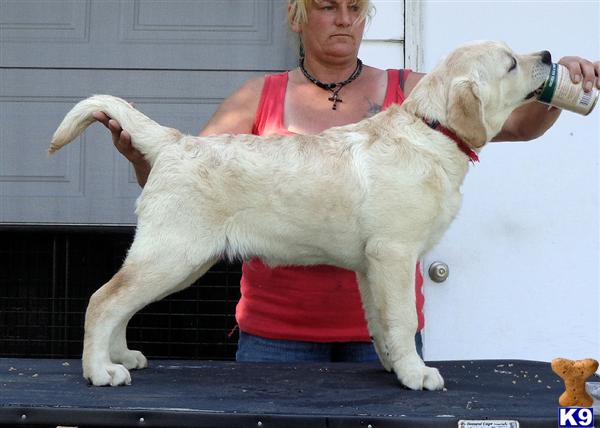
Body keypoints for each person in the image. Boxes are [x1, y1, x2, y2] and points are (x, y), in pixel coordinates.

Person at [93, 0, 600, 363]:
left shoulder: (419, 93)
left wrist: (556, 89)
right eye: (326, 6)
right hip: (276, 337)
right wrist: (140, 155)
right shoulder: (255, 96)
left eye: (354, 8)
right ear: (297, 16)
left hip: (375, 342)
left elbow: (512, 123)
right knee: (171, 269)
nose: (343, 19)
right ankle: (105, 326)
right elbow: (189, 178)